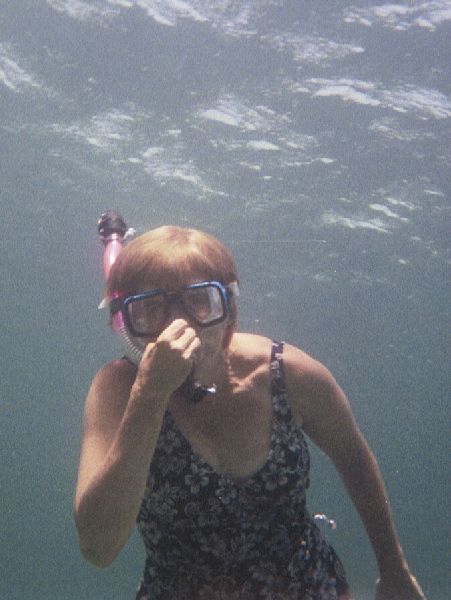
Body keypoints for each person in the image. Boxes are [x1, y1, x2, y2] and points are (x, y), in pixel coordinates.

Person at [74, 225, 427, 600]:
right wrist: (149, 395)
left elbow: (353, 457)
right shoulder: (118, 390)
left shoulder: (288, 374)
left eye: (200, 302)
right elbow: (98, 550)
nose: (179, 326)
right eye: (150, 310)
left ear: (230, 309)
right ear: (127, 327)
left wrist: (394, 570)